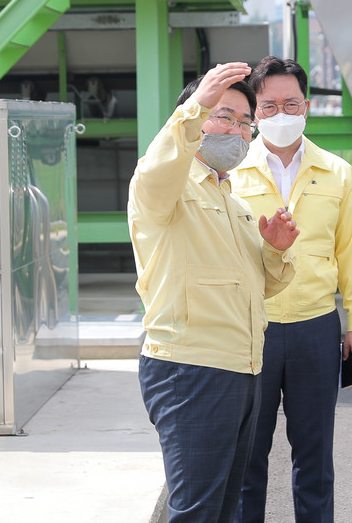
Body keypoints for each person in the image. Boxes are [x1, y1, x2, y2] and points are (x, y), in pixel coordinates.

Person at [128, 62, 300, 523]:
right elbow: (162, 162)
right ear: (195, 113)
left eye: (246, 123)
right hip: (190, 368)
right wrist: (195, 105)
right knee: (198, 510)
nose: (237, 131)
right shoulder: (164, 186)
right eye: (223, 116)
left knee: (225, 507)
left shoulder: (234, 200)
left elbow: (261, 285)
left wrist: (276, 251)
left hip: (240, 367)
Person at [230, 56, 352, 523]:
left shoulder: (336, 172)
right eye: (269, 105)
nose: (281, 113)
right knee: (247, 458)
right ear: (254, 110)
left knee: (314, 457)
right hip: (252, 328)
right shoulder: (231, 172)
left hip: (316, 327)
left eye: (290, 103)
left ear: (307, 106)